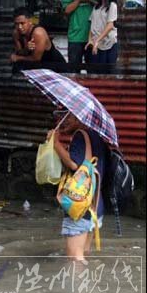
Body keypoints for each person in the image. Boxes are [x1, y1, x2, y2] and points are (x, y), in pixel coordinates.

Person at [47, 111, 108, 262]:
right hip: (96, 205)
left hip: (80, 205)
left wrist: (55, 144)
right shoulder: (97, 136)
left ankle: (76, 285)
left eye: (67, 115)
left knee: (75, 260)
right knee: (84, 254)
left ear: (81, 115)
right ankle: (87, 285)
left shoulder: (80, 136)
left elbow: (75, 164)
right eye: (60, 115)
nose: (62, 120)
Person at [11, 7, 66, 72]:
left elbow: (36, 59)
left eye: (22, 23)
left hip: (55, 65)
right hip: (39, 65)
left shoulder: (38, 33)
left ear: (30, 21)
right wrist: (26, 49)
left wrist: (18, 58)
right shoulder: (16, 33)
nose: (19, 27)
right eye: (17, 24)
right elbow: (20, 52)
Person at [62, 0, 98, 72]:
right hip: (75, 36)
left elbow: (104, 6)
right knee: (73, 71)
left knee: (94, 72)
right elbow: (66, 10)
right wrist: (78, 0)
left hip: (94, 36)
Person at [85, 0, 118, 73]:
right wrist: (90, 40)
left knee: (108, 74)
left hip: (109, 45)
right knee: (96, 72)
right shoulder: (96, 7)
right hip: (97, 45)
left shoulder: (112, 6)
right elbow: (92, 25)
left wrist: (97, 40)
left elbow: (110, 26)